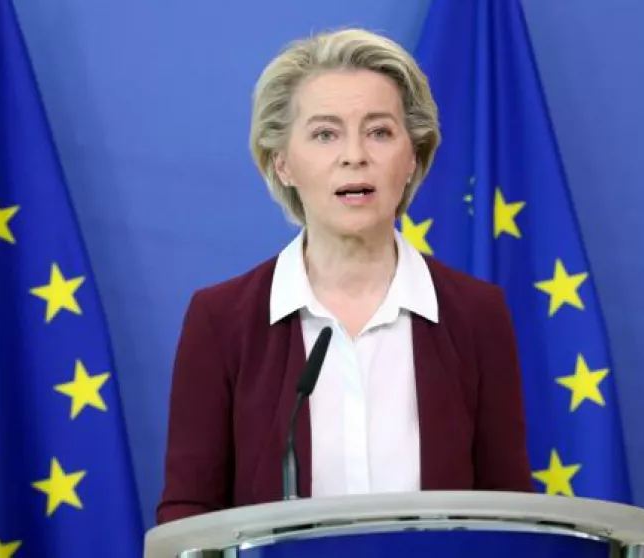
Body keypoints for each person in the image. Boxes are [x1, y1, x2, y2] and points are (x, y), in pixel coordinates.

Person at [156, 27, 534, 525]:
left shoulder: (476, 314)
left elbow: (507, 510)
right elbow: (189, 512)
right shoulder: (222, 320)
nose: (354, 155)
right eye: (325, 134)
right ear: (283, 164)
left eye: (379, 132)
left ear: (413, 157)